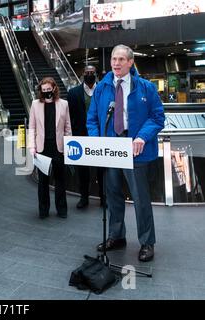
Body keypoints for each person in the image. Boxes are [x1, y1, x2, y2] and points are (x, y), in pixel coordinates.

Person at [86, 44, 165, 262]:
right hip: (110, 149)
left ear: (130, 62)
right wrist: (97, 141)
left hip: (135, 148)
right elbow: (92, 119)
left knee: (140, 199)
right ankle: (116, 236)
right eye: (113, 59)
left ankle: (147, 242)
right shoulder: (101, 88)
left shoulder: (146, 88)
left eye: (121, 59)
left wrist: (141, 137)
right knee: (112, 196)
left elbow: (158, 117)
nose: (116, 63)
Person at [28, 77, 72, 219]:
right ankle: (43, 210)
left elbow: (68, 128)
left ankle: (62, 209)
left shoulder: (64, 104)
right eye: (44, 89)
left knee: (60, 180)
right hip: (42, 148)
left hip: (59, 147)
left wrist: (68, 146)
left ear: (54, 88)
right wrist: (32, 147)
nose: (47, 91)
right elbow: (32, 127)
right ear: (41, 90)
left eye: (49, 89)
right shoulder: (35, 104)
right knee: (43, 181)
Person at [67, 65, 104, 209]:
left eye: (92, 73)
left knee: (101, 168)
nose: (89, 75)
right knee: (82, 170)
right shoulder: (73, 93)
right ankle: (84, 197)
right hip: (80, 136)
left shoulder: (103, 91)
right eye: (87, 73)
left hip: (100, 136)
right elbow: (69, 116)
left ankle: (103, 197)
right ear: (83, 74)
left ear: (96, 74)